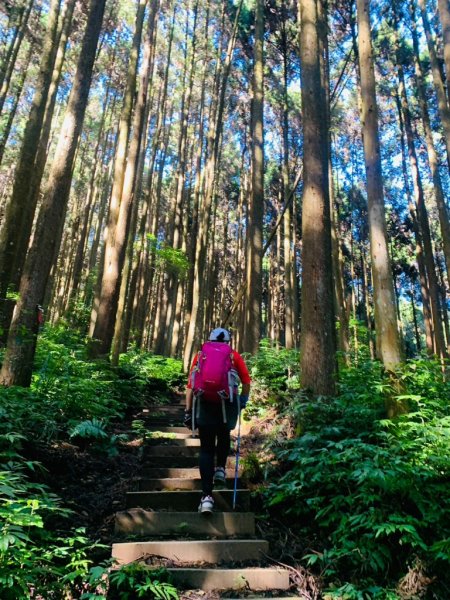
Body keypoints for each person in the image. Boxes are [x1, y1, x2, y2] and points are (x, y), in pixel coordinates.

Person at [184, 327, 251, 514]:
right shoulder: (233, 356)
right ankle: (221, 469)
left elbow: (191, 384)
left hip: (204, 404)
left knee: (206, 449)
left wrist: (188, 411)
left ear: (210, 340)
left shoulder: (201, 355)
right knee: (224, 435)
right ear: (228, 341)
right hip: (227, 404)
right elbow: (246, 381)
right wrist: (243, 401)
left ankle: (206, 497)